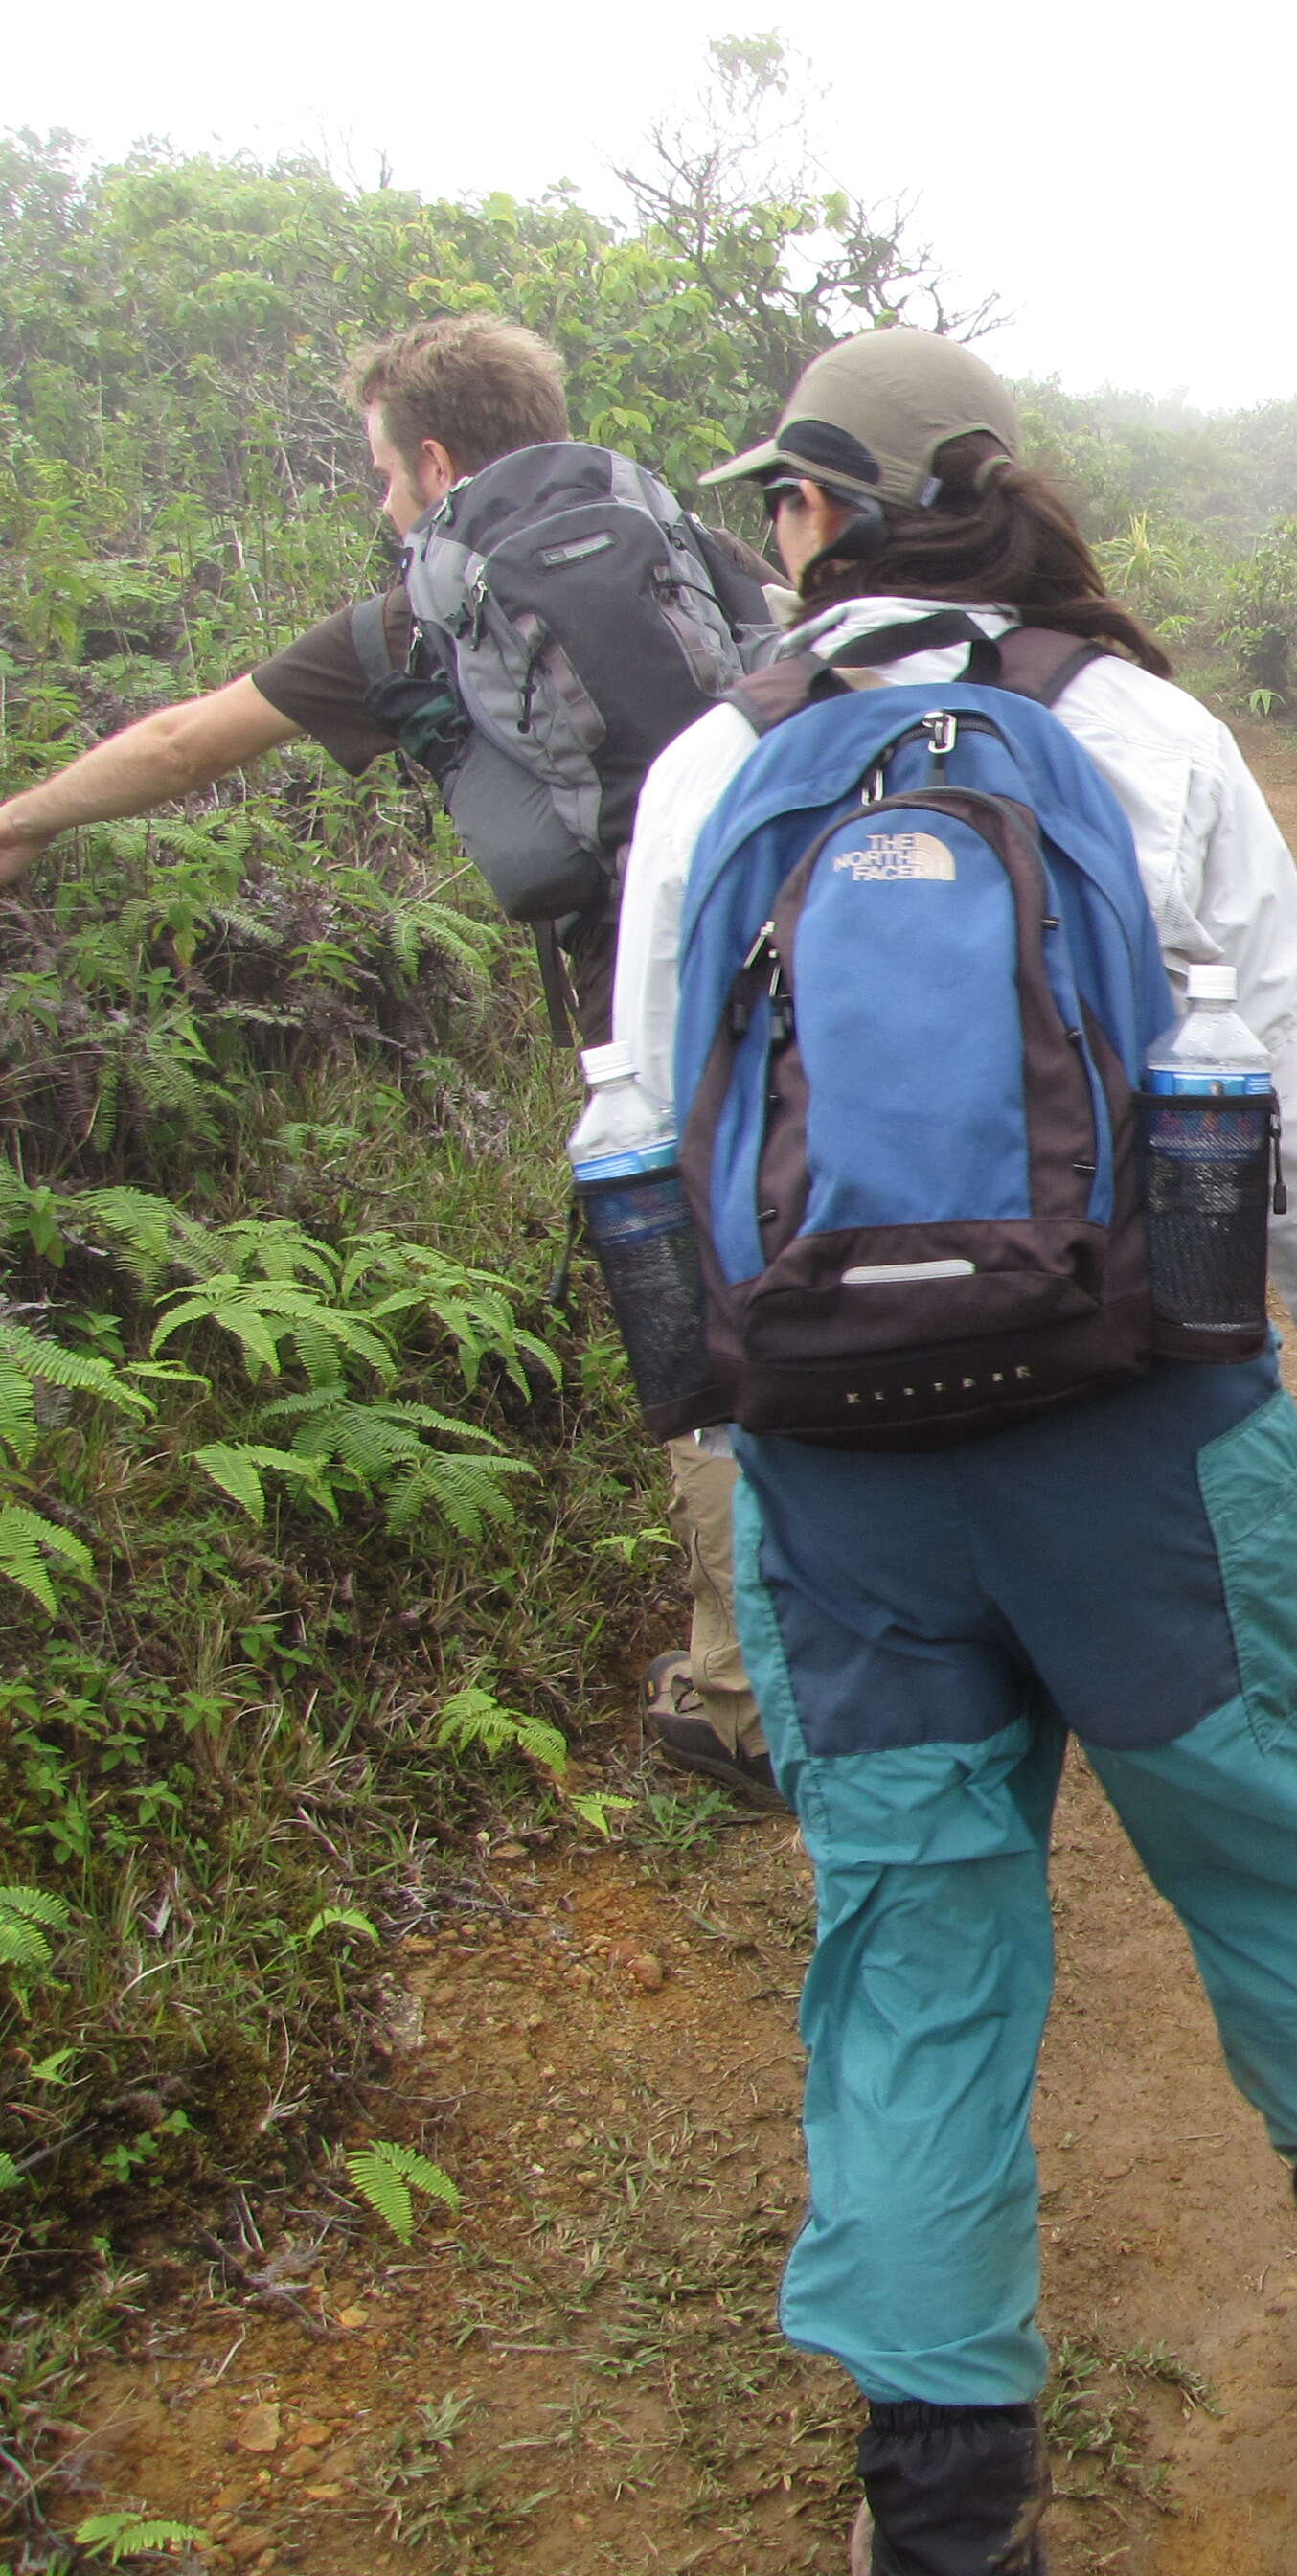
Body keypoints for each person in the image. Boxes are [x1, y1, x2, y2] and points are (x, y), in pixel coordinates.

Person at [608, 328, 1297, 2576]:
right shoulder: (1135, 727)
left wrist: (738, 1434)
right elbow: (1296, 1089)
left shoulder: (712, 771)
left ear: (823, 511)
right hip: (1141, 1440)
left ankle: (947, 2513)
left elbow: (647, 1127)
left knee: (910, 1930)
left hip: (836, 1479)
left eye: (783, 501)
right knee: (1257, 1836)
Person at [0, 314, 781, 1807]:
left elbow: (179, 741)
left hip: (652, 1023)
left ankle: (745, 1706)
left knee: (705, 1335)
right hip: (821, 972)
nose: (378, 504)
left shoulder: (418, 624)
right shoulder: (706, 556)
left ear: (433, 462)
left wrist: (22, 821)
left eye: (378, 473)